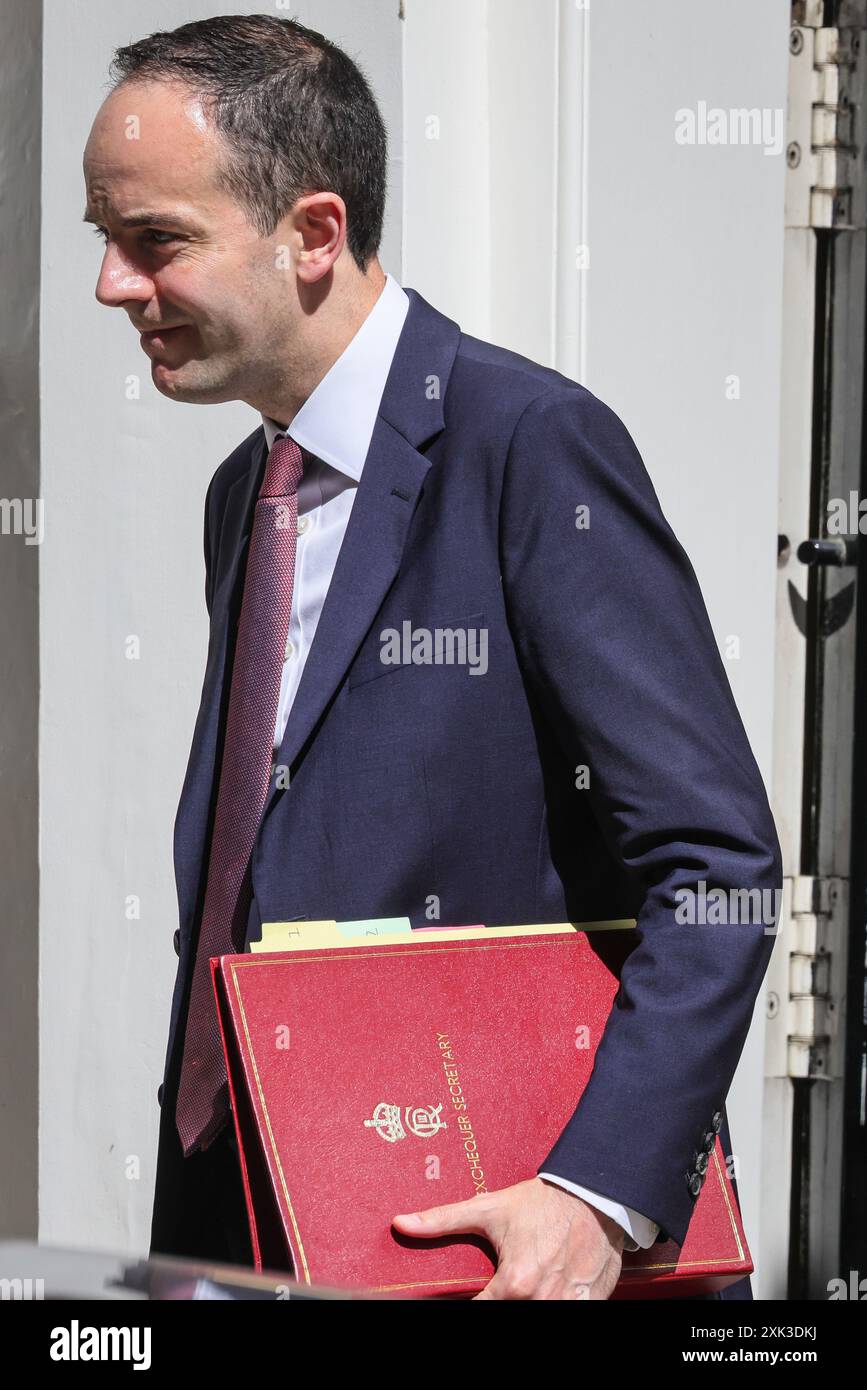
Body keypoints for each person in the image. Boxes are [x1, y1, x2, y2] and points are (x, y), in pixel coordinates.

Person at [83, 13, 781, 1301]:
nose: (114, 285)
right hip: (271, 1230)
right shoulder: (248, 493)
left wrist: (598, 1197)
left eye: (155, 242)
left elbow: (719, 863)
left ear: (313, 233)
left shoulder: (533, 448)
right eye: (106, 242)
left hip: (502, 1252)